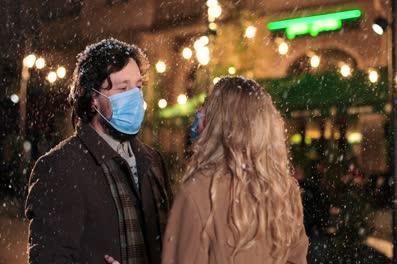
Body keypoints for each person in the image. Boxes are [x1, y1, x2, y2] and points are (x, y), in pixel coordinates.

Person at [25, 38, 173, 264]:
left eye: (138, 86)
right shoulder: (60, 167)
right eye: (123, 88)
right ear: (94, 98)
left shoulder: (152, 161)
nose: (134, 97)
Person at [161, 76, 308, 263]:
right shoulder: (283, 191)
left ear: (220, 124)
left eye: (206, 109)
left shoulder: (198, 193)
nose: (198, 116)